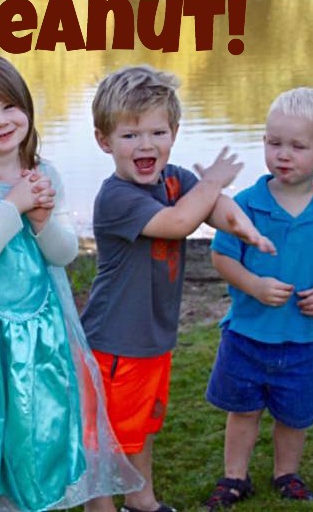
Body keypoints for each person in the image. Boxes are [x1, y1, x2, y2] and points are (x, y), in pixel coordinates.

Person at [0, 53, 143, 512]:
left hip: (38, 336)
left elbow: (63, 254)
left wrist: (40, 221)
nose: (1, 121)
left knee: (34, 435)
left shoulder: (44, 173)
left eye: (8, 106)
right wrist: (13, 206)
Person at [80, 65, 277, 512]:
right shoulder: (116, 197)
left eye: (157, 132)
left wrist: (244, 228)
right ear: (104, 141)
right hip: (115, 342)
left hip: (153, 338)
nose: (145, 145)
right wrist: (211, 183)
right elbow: (180, 222)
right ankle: (100, 507)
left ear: (174, 133)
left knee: (142, 426)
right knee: (105, 437)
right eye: (130, 135)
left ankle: (141, 500)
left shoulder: (175, 180)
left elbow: (215, 209)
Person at [203, 88, 313, 510]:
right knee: (243, 410)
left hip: (303, 337)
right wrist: (253, 285)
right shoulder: (245, 206)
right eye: (274, 143)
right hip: (247, 334)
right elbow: (221, 257)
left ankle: (286, 474)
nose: (283, 154)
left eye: (297, 146)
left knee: (294, 415)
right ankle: (235, 478)